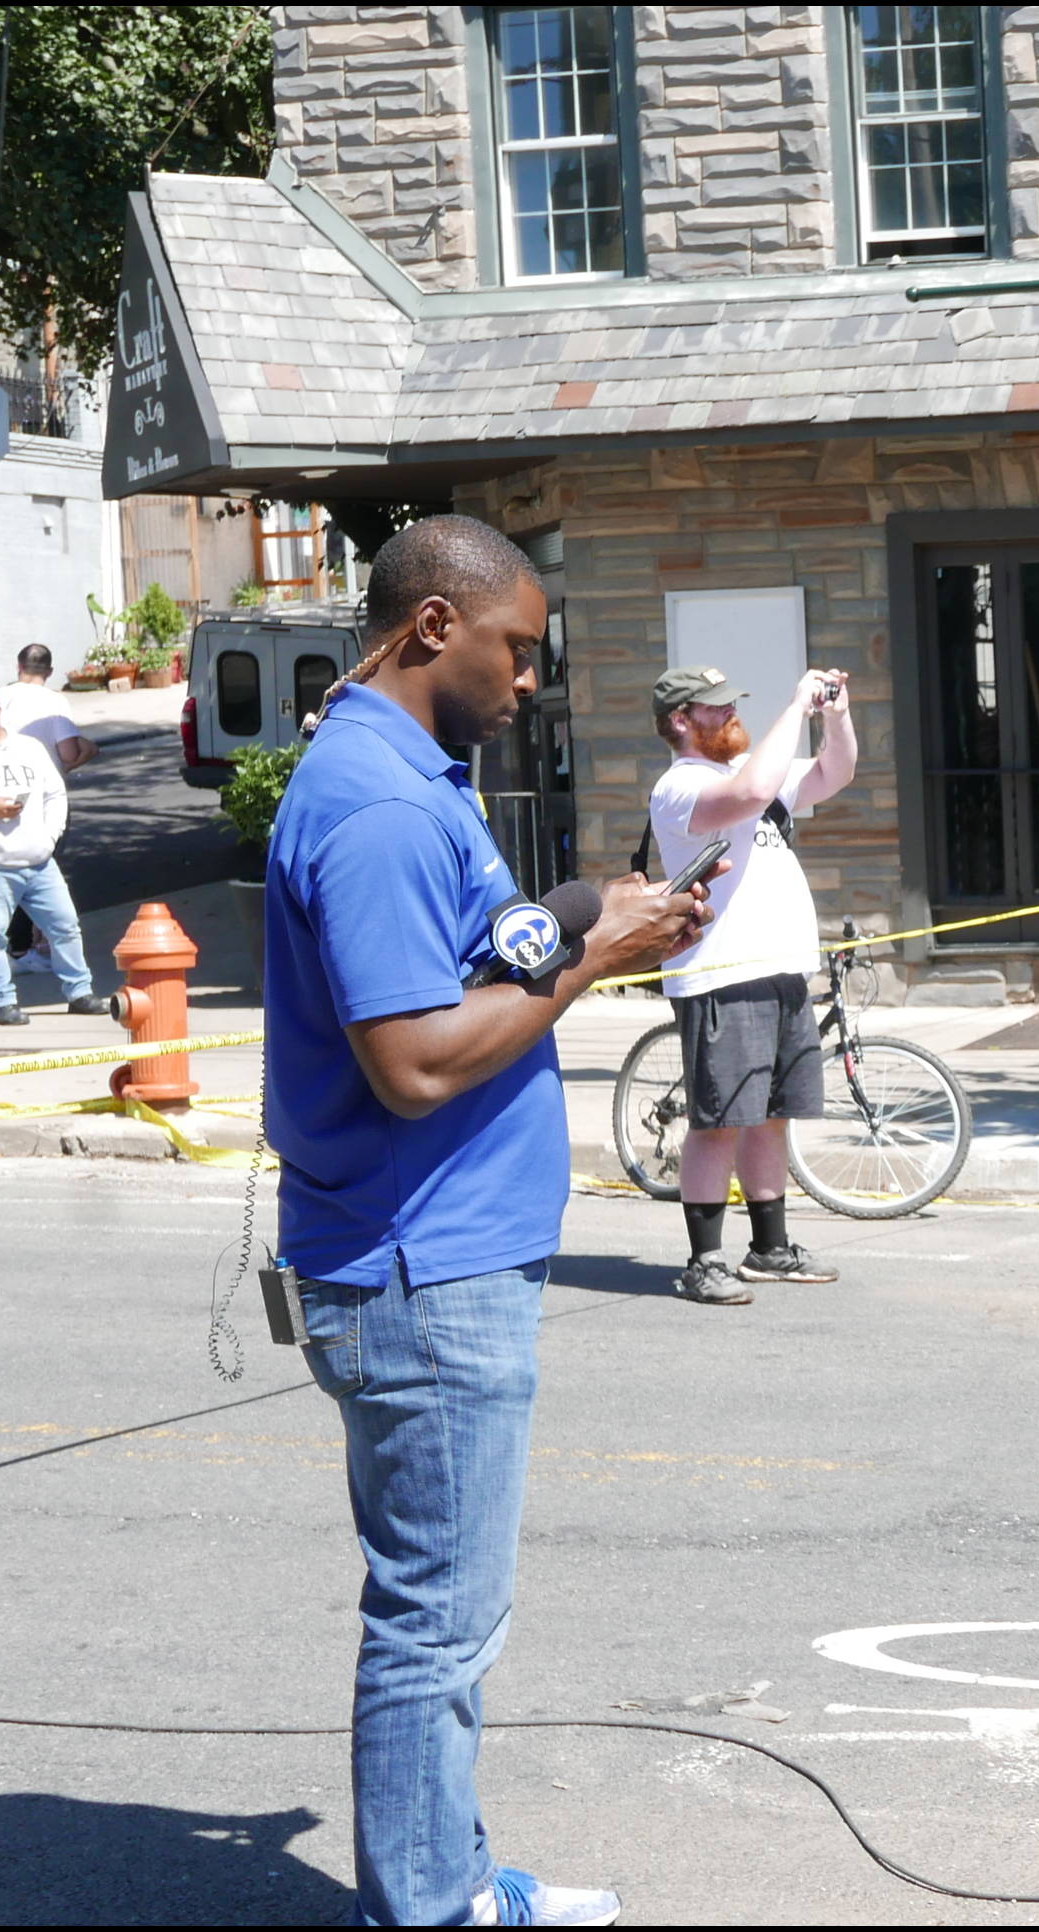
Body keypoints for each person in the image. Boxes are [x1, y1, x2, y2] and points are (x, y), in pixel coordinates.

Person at [265, 514, 712, 1927]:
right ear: (434, 627)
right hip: (421, 1265)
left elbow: (477, 960)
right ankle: (432, 1910)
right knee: (436, 1626)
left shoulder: (398, 770)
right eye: (517, 649)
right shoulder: (386, 805)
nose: (530, 680)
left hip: (423, 1251)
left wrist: (594, 919)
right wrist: (594, 957)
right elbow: (411, 1064)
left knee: (442, 1615)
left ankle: (447, 1880)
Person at [645, 661, 857, 1304]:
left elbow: (834, 772)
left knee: (771, 1118)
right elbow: (749, 795)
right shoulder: (678, 787)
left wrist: (836, 714)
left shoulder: (750, 772)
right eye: (716, 707)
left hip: (780, 969)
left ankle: (769, 1248)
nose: (731, 713)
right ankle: (703, 1261)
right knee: (719, 1121)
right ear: (682, 721)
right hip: (723, 976)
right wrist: (795, 708)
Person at [0, 679, 110, 1025]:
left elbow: (56, 793)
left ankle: (80, 992)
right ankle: (0, 1002)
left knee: (65, 926)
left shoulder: (29, 748)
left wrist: (49, 837)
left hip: (39, 860)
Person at [0, 643, 97, 774]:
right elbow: (68, 754)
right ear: (50, 672)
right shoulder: (56, 701)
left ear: (19, 666)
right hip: (43, 782)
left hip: (3, 778)